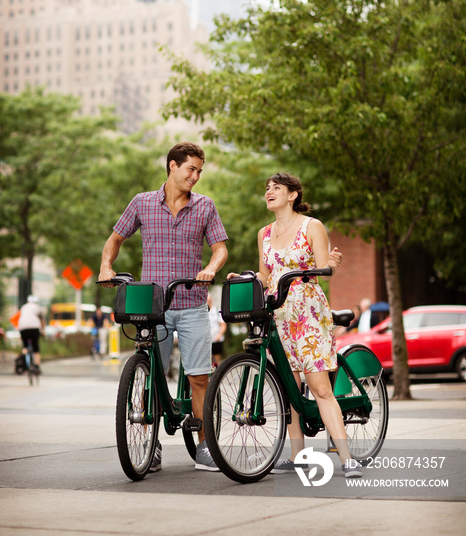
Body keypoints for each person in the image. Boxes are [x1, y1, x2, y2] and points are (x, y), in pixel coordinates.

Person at [98, 141, 228, 472]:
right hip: (154, 307)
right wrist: (106, 267)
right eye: (191, 169)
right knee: (150, 375)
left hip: (191, 304)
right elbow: (115, 240)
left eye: (200, 170)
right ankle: (149, 445)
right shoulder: (142, 202)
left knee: (199, 378)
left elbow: (220, 249)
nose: (196, 176)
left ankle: (204, 447)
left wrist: (211, 268)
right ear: (172, 166)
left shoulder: (205, 206)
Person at [229, 173, 362, 478]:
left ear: (293, 195)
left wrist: (332, 263)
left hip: (308, 311)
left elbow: (324, 268)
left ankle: (346, 458)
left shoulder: (311, 226)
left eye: (276, 188)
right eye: (267, 188)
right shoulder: (264, 233)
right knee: (289, 387)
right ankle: (297, 455)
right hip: (277, 313)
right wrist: (246, 278)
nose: (269, 192)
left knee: (319, 388)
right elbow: (266, 275)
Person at [18, 294, 45, 372]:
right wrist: (42, 331)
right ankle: (36, 366)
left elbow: (20, 317)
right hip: (34, 327)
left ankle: (23, 358)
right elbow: (42, 321)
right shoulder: (38, 308)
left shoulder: (23, 307)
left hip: (22, 327)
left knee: (25, 346)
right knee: (36, 347)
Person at [208, 292, 227, 365]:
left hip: (216, 340)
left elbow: (223, 325)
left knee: (216, 361)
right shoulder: (203, 312)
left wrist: (219, 335)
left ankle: (216, 374)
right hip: (207, 340)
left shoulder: (216, 311)